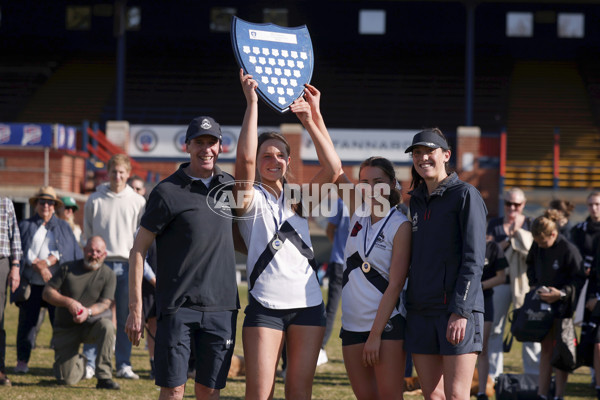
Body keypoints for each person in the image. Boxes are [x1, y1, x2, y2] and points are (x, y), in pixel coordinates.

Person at [234, 70, 342, 400]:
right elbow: (245, 157)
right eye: (267, 155)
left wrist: (311, 119)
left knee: (299, 393)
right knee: (260, 394)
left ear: (289, 161)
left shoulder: (299, 199)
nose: (273, 160)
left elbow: (334, 169)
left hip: (309, 305)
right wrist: (252, 102)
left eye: (280, 155)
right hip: (265, 305)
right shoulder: (246, 197)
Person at [126, 115, 239, 400]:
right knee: (174, 389)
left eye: (211, 142)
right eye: (199, 142)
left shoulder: (230, 188)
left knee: (209, 390)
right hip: (178, 308)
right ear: (187, 145)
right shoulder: (166, 192)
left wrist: (251, 102)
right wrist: (136, 310)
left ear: (221, 147)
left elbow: (250, 161)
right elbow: (138, 250)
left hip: (222, 307)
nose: (206, 149)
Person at [404, 128, 487, 400]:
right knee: (433, 396)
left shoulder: (465, 195)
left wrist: (460, 311)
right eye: (417, 153)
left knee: (455, 395)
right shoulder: (414, 201)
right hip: (420, 311)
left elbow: (474, 259)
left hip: (456, 311)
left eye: (429, 151)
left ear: (446, 155)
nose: (423, 157)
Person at [336, 157, 411, 400]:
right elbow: (334, 169)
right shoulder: (358, 213)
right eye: (365, 182)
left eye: (378, 182)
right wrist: (312, 118)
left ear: (391, 184)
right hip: (351, 326)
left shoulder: (400, 225)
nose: (371, 188)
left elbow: (396, 284)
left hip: (385, 327)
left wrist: (375, 335)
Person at [83, 154, 146, 380]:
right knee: (96, 316)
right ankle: (90, 363)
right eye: (113, 171)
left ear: (128, 174)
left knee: (126, 317)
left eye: (121, 172)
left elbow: (142, 236)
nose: (117, 176)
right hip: (100, 266)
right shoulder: (95, 199)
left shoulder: (138, 202)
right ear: (107, 172)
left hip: (127, 265)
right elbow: (87, 233)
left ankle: (123, 364)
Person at [15, 186, 82, 374]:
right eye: (42, 202)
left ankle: (61, 364)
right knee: (27, 325)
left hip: (56, 287)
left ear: (55, 206)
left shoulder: (63, 226)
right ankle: (22, 361)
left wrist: (49, 261)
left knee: (59, 325)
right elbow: (21, 249)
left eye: (50, 202)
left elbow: (69, 251)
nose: (46, 205)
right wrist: (37, 264)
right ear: (36, 204)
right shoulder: (26, 225)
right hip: (32, 284)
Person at [42, 236, 119, 390]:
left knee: (108, 327)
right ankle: (82, 364)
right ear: (84, 250)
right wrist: (69, 302)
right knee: (66, 379)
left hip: (91, 324)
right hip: (66, 327)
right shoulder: (67, 268)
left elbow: (106, 303)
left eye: (98, 251)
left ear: (104, 254)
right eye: (90, 250)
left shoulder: (109, 274)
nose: (94, 254)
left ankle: (104, 377)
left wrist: (88, 312)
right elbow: (47, 292)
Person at [526, 209, 582, 400]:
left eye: (543, 242)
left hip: (562, 308)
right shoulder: (537, 246)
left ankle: (558, 395)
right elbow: (530, 264)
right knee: (546, 349)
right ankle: (542, 393)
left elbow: (578, 279)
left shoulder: (569, 250)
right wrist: (534, 285)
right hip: (542, 306)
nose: (541, 246)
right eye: (537, 243)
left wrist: (562, 293)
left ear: (553, 234)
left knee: (561, 352)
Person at [487, 188, 540, 380]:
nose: (512, 208)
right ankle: (493, 375)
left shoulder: (531, 223)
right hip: (499, 281)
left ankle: (534, 374)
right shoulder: (494, 224)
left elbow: (536, 251)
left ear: (523, 204)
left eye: (516, 204)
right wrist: (510, 241)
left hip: (525, 284)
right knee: (494, 328)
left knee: (530, 328)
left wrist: (522, 237)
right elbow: (488, 251)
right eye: (509, 203)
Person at [317, 196, 350, 367]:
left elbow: (330, 230)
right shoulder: (366, 200)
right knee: (352, 308)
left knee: (332, 307)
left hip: (341, 260)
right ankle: (321, 349)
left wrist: (338, 247)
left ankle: (322, 348)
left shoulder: (341, 202)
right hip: (350, 262)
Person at [476, 240, 507, 400]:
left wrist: (478, 286)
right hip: (460, 301)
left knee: (481, 347)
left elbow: (501, 277)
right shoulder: (459, 240)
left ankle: (481, 392)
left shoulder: (493, 247)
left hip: (485, 300)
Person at [0, 197, 22, 386]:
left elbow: (15, 236)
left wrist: (15, 266)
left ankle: (0, 370)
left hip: (2, 262)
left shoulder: (5, 203)